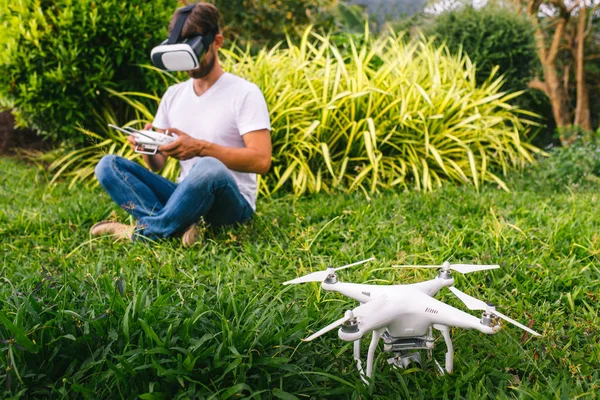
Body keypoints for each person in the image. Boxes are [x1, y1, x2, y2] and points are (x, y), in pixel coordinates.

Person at [90, 2, 271, 247]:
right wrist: (149, 147)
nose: (191, 66)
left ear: (217, 42)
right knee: (107, 165)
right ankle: (181, 225)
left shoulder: (245, 93)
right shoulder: (173, 95)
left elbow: (261, 161)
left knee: (208, 166)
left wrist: (201, 149)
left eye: (196, 54)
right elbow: (158, 165)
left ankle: (142, 232)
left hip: (231, 205)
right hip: (184, 196)